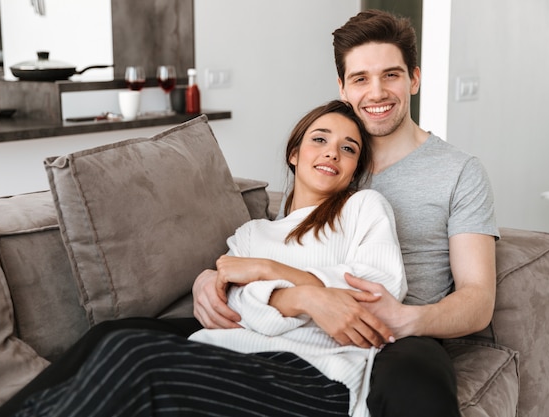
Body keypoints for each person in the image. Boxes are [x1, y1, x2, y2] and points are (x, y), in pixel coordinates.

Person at [0, 100, 407, 417]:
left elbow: (375, 295)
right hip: (225, 359)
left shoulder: (364, 208)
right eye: (319, 139)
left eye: (348, 148)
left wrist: (270, 273)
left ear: (354, 171)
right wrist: (306, 296)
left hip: (315, 377)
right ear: (294, 154)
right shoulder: (250, 234)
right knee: (116, 344)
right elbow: (230, 308)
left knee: (138, 357)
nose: (332, 152)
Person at [192, 9, 499, 417]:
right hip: (301, 320)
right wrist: (211, 278)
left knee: (416, 384)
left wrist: (406, 320)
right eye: (360, 78)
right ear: (343, 86)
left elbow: (478, 299)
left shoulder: (459, 171)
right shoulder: (328, 163)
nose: (376, 92)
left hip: (399, 335)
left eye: (391, 75)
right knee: (124, 336)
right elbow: (282, 243)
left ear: (414, 79)